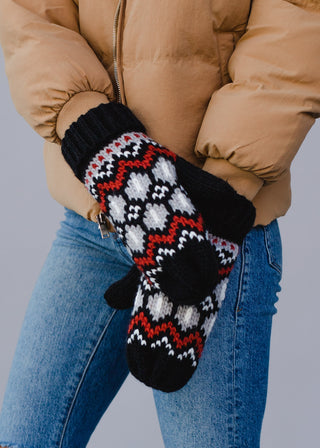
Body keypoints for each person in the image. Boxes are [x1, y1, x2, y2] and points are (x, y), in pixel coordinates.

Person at [0, 0, 319, 447]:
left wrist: (216, 199)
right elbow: (30, 13)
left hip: (214, 234)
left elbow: (299, 22)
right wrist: (92, 129)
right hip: (98, 216)